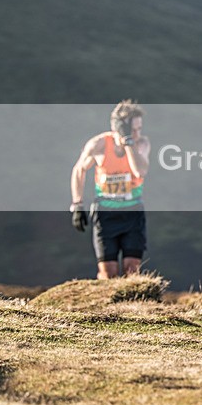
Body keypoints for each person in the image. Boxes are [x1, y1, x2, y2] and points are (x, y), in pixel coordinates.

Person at [70, 100, 151, 279]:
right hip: (105, 214)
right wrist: (77, 204)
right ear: (121, 127)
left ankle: (131, 306)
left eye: (139, 128)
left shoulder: (141, 144)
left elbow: (140, 170)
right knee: (109, 273)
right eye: (134, 129)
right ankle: (107, 305)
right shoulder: (98, 144)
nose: (138, 133)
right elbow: (79, 169)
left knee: (132, 270)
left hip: (133, 213)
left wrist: (128, 142)